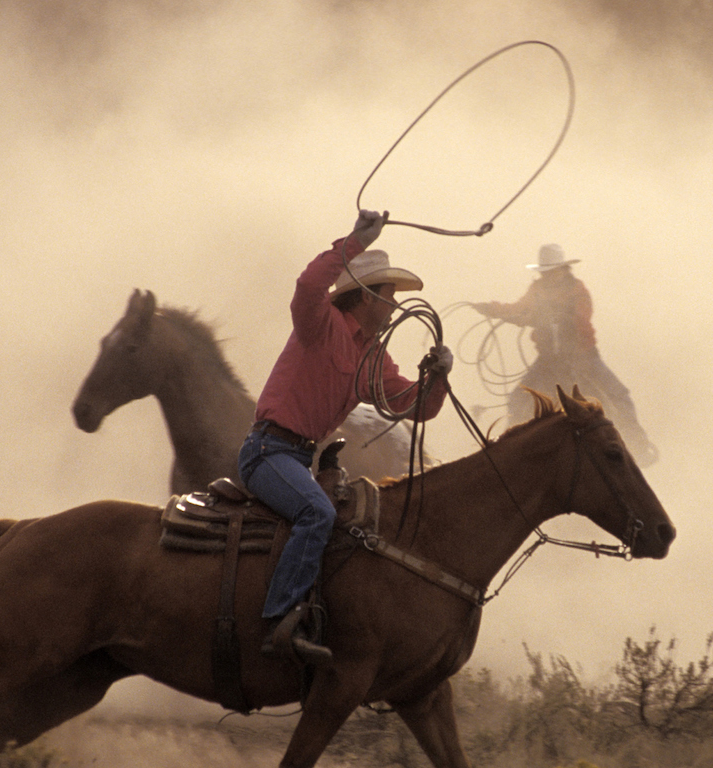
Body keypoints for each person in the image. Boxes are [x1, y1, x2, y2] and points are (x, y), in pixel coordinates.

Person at [240, 210, 453, 665]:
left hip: (299, 460)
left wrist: (437, 376)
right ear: (366, 296)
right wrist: (352, 242)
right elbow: (307, 287)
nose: (396, 306)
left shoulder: (373, 357)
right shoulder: (321, 325)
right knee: (317, 514)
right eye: (389, 295)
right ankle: (279, 621)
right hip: (267, 451)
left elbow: (413, 407)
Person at [472, 243, 657, 467]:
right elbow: (520, 312)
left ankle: (637, 444)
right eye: (545, 271)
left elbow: (579, 321)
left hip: (583, 358)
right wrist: (492, 309)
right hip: (548, 360)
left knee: (618, 395)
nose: (547, 275)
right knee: (518, 399)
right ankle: (508, 453)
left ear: (562, 270)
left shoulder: (578, 291)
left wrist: (552, 317)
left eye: (551, 271)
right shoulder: (537, 290)